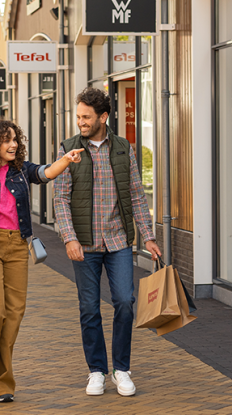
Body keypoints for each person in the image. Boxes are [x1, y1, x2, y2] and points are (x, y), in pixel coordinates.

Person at [0, 119, 83, 404]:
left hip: (17, 246)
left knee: (13, 315)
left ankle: (4, 383)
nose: (13, 144)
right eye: (6, 139)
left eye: (15, 139)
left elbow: (45, 173)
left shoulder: (20, 171)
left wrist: (66, 159)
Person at [53, 87, 162, 398]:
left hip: (118, 241)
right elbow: (60, 199)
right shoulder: (70, 149)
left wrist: (149, 236)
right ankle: (97, 371)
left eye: (86, 117)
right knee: (89, 309)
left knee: (125, 302)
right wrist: (69, 237)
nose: (81, 122)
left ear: (103, 117)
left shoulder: (122, 149)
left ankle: (121, 369)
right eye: (78, 117)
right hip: (84, 246)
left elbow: (136, 195)